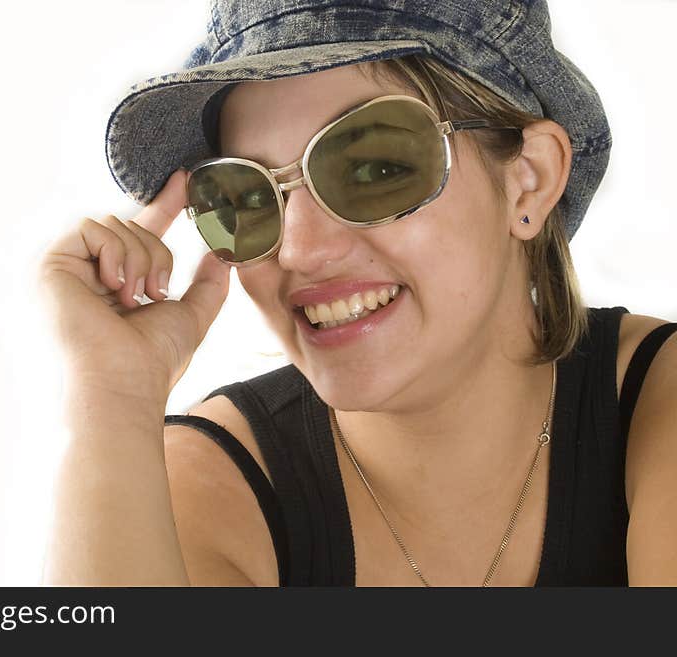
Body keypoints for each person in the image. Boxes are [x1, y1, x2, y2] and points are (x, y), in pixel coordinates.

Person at [35, 0, 677, 586]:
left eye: (376, 169)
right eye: (246, 195)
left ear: (529, 182)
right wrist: (113, 399)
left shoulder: (659, 406)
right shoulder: (203, 489)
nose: (299, 250)